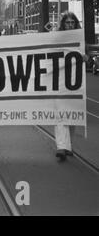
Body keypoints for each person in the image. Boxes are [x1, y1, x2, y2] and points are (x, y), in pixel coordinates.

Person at [54, 12, 82, 161]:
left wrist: (85, 58)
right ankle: (61, 147)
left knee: (72, 116)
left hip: (75, 83)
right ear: (63, 24)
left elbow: (86, 57)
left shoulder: (80, 39)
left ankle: (68, 145)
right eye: (67, 22)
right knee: (60, 114)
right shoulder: (58, 39)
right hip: (59, 82)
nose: (70, 25)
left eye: (72, 22)